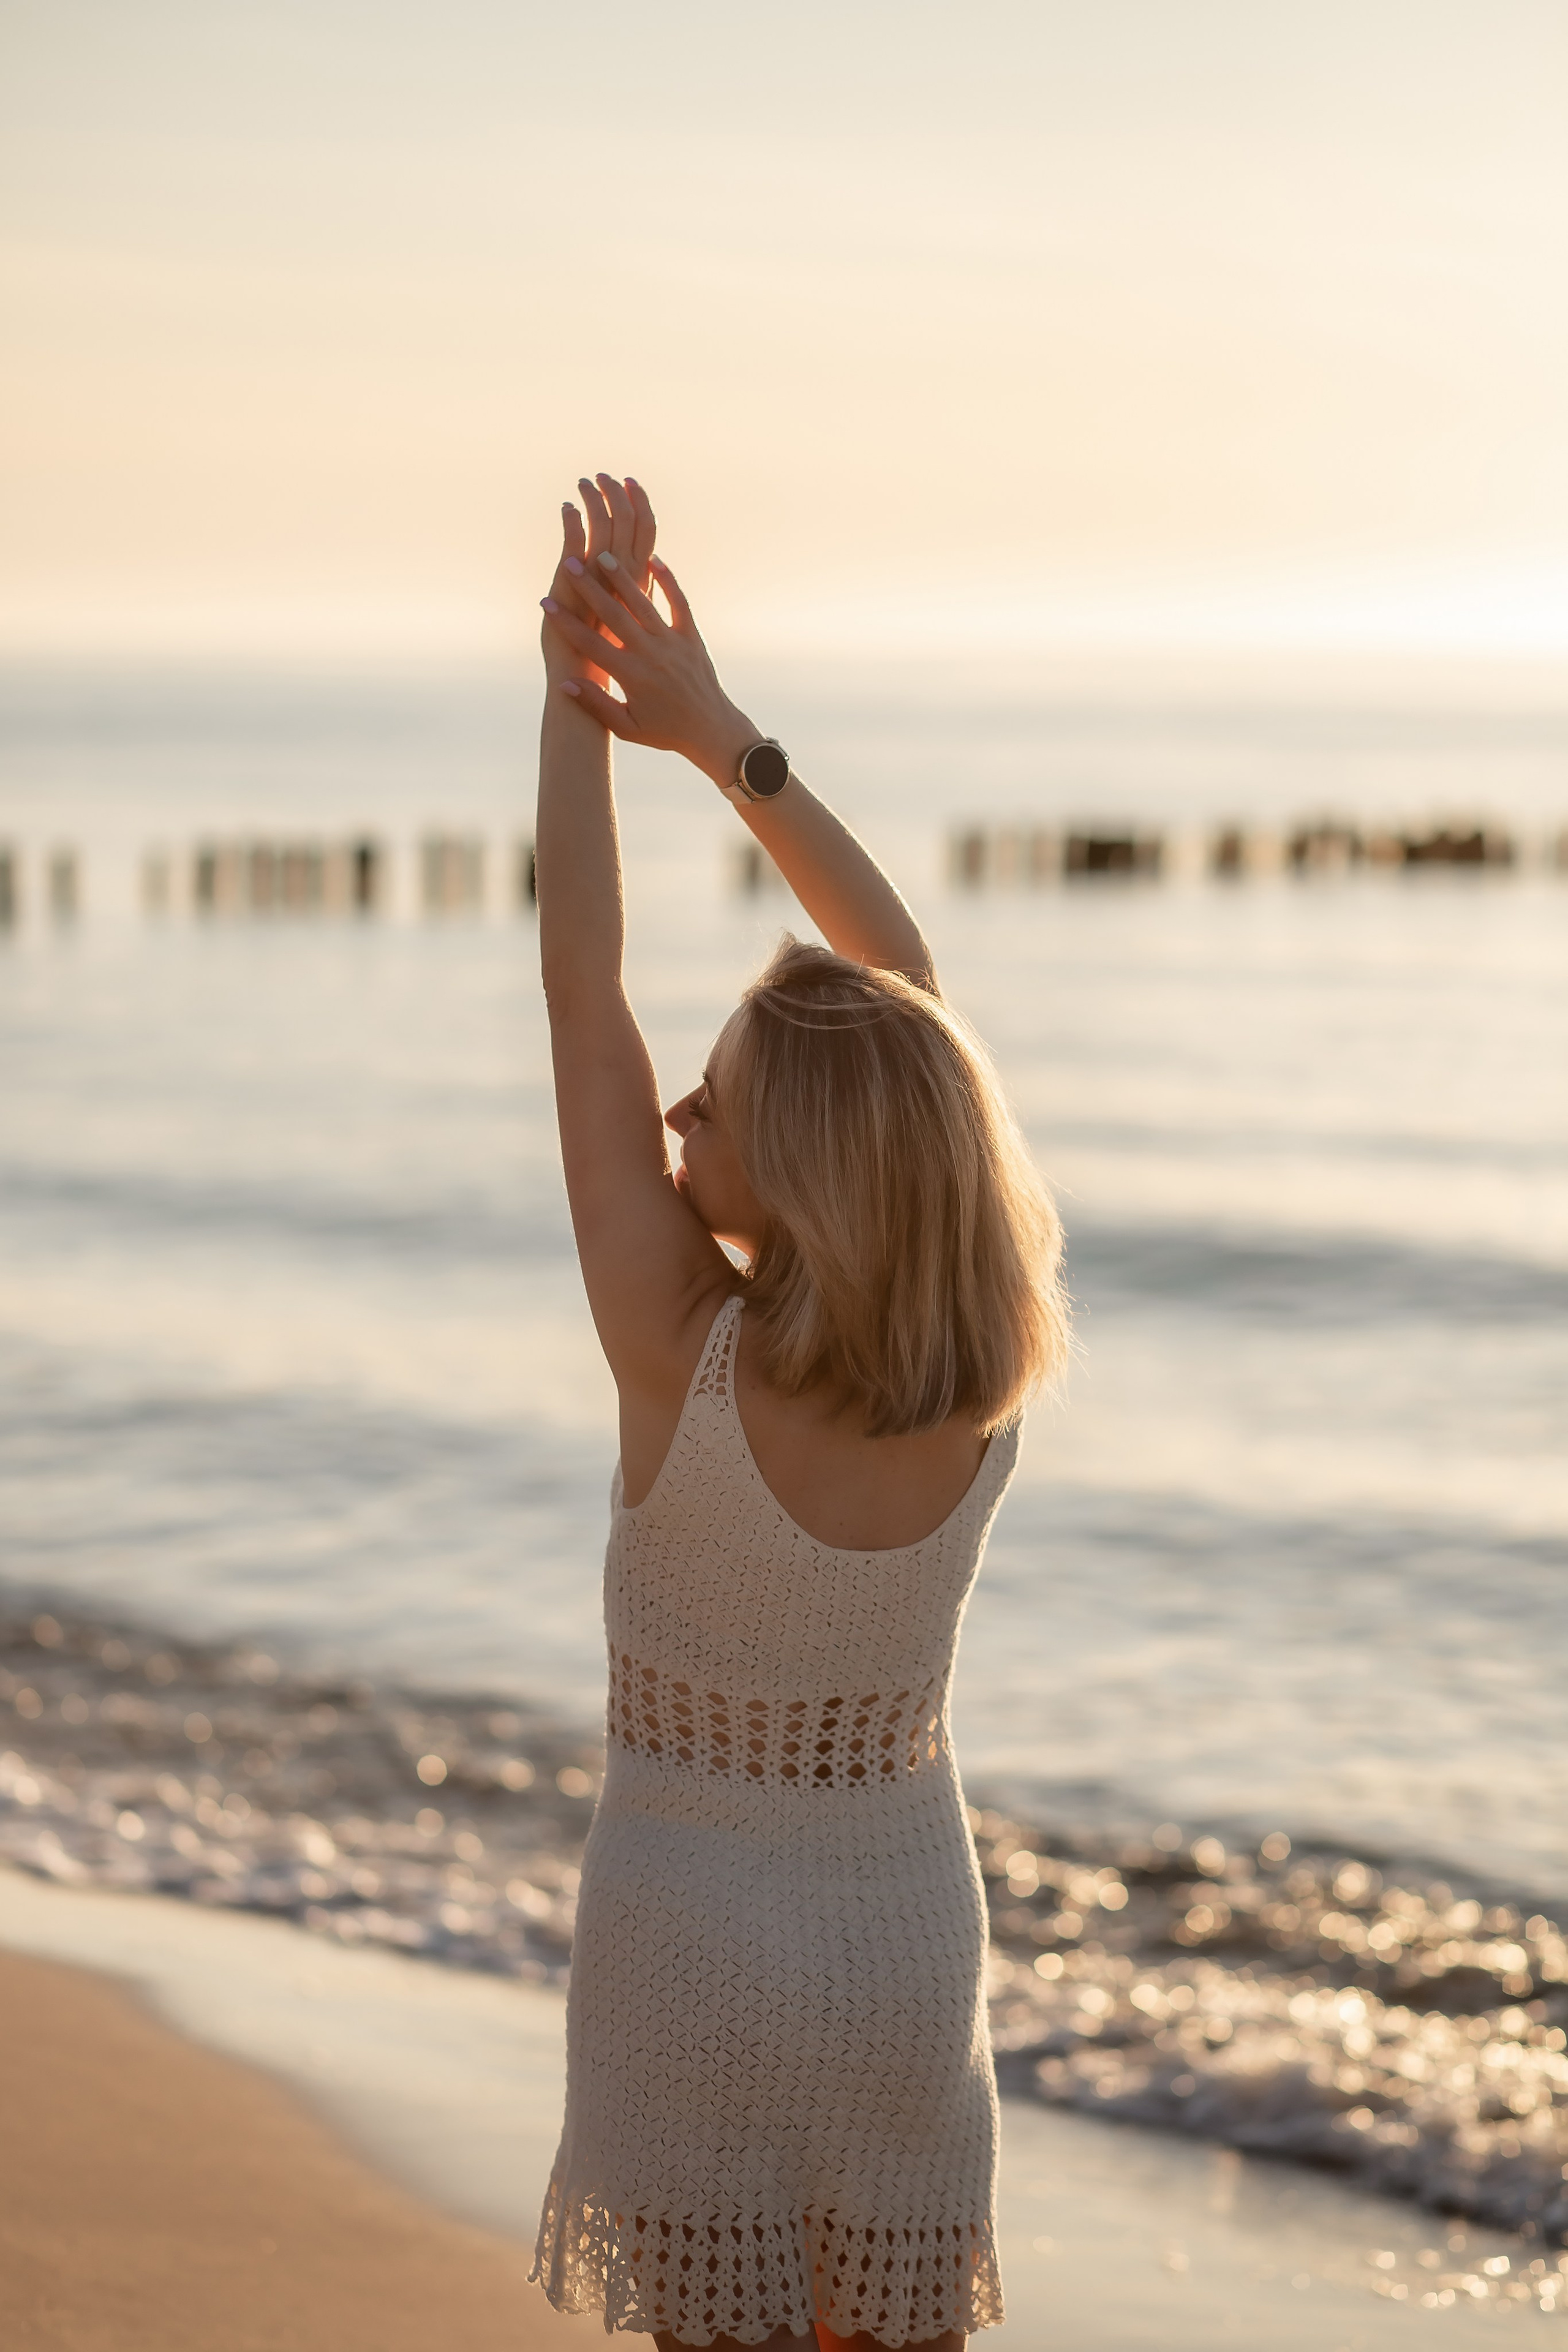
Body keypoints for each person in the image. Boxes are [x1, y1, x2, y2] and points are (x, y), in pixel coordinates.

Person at [528, 473, 1069, 2352]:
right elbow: (917, 1026)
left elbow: (578, 1000)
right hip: (900, 1957)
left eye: (721, 1097)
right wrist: (720, 740)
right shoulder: (979, 1370)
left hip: (686, 1961)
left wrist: (577, 704)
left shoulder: (681, 1351)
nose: (681, 1114)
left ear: (812, 1171)